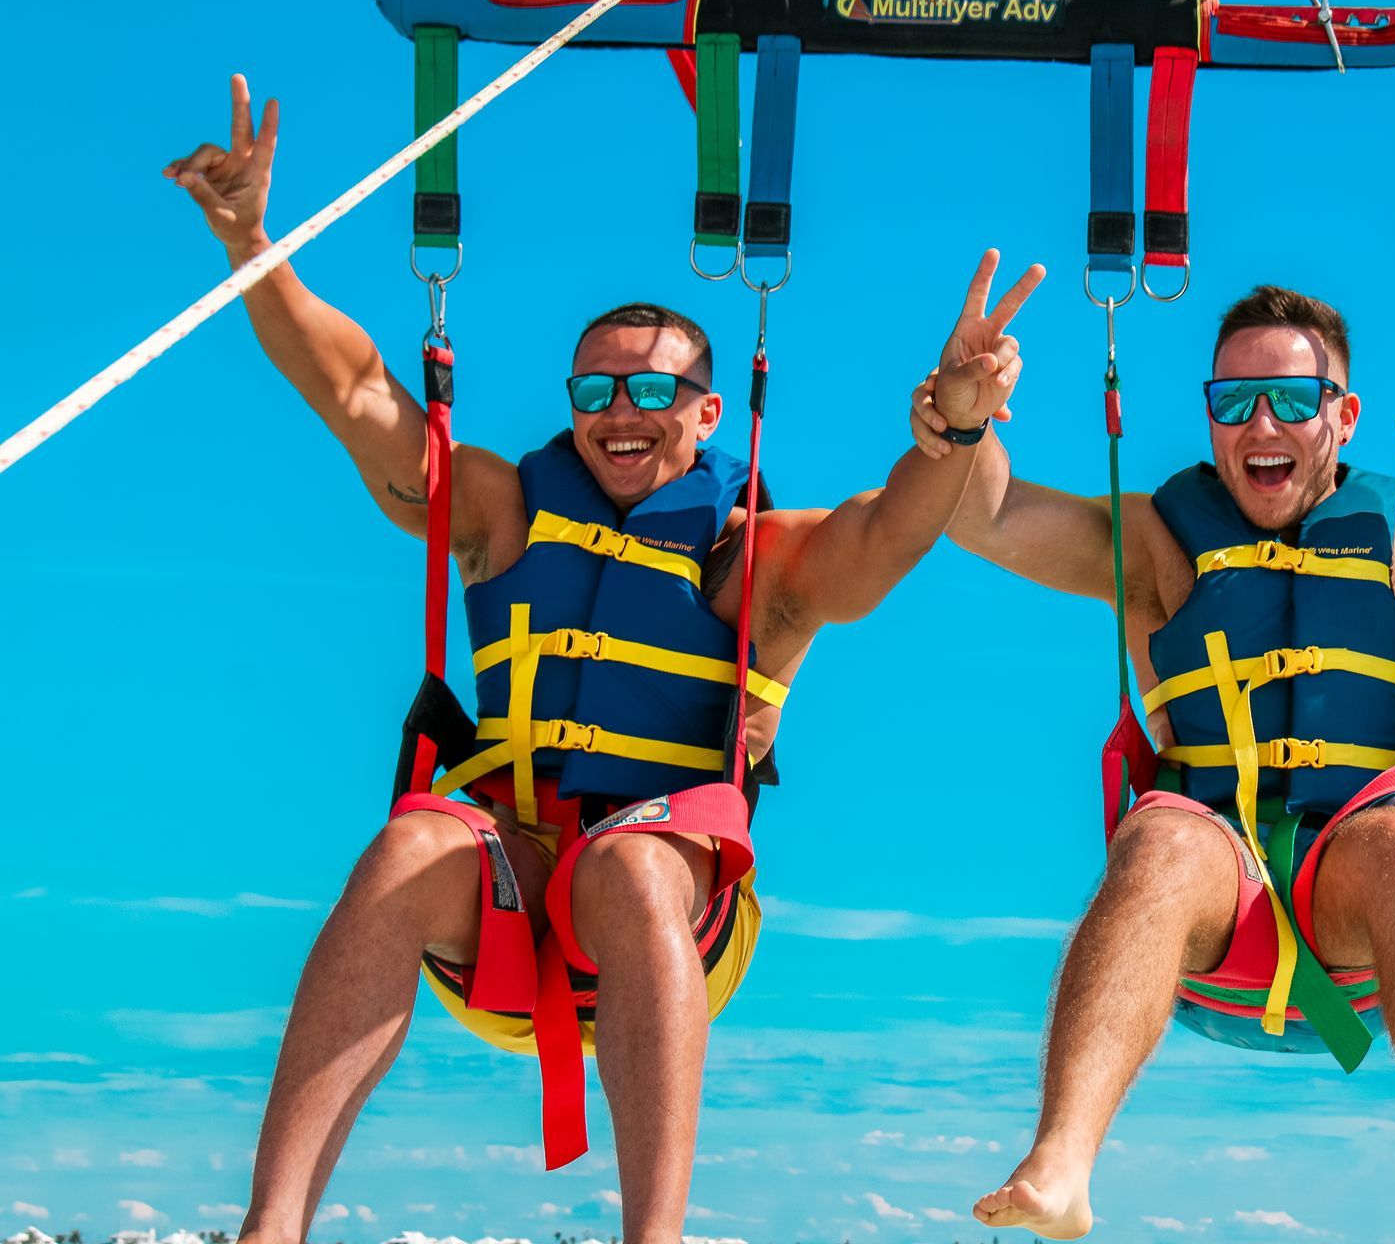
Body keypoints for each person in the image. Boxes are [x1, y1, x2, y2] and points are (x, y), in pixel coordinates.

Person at [163, 74, 1042, 1244]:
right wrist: (251, 246)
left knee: (631, 864)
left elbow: (885, 536)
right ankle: (269, 1230)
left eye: (651, 389)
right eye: (595, 388)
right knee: (412, 833)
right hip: (503, 913)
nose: (618, 411)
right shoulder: (502, 511)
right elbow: (359, 388)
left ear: (708, 412)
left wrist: (959, 425)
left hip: (674, 919)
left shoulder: (752, 558)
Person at [911, 284, 1395, 1244]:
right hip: (1204, 897)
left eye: (1295, 403)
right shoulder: (1159, 538)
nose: (1262, 424)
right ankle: (1060, 1161)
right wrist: (960, 420)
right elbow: (990, 518)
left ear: (1344, 417)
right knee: (1163, 834)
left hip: (1362, 898)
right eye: (1234, 403)